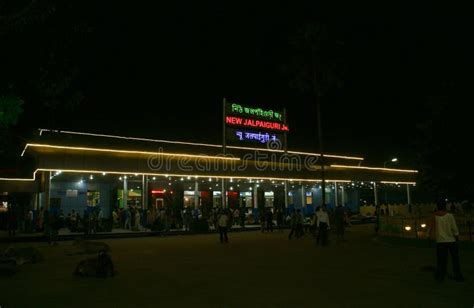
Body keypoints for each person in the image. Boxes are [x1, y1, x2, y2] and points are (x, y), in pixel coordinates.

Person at [430, 200, 464, 282]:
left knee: (441, 260)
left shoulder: (434, 216)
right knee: (455, 259)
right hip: (451, 240)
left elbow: (432, 228)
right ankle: (458, 276)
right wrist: (457, 236)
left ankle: (440, 276)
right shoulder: (450, 216)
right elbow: (454, 227)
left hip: (440, 241)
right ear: (445, 206)